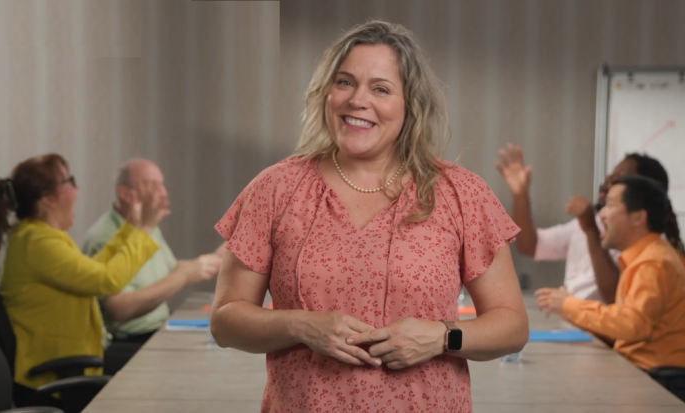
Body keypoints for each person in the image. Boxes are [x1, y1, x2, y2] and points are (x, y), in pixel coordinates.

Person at [209, 20, 528, 412]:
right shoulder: (275, 188)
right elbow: (225, 321)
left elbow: (512, 326)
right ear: (326, 93)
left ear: (410, 105)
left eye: (380, 88)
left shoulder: (461, 193)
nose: (357, 100)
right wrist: (299, 325)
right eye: (344, 82)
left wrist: (444, 337)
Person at [0, 154, 166, 407]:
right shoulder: (37, 243)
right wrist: (146, 229)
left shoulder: (42, 237)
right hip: (55, 372)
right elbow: (108, 280)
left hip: (71, 360)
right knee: (153, 371)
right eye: (69, 181)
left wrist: (132, 225)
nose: (77, 189)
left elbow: (97, 269)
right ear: (47, 197)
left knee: (153, 362)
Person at [535, 175, 685, 412]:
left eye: (610, 205)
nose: (601, 215)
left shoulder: (653, 262)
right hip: (657, 375)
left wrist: (570, 305)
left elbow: (633, 325)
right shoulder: (649, 256)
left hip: (666, 383)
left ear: (638, 217)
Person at [496, 145, 685, 304]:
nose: (607, 180)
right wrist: (520, 195)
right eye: (610, 173)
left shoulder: (651, 248)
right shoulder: (591, 222)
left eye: (619, 178)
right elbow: (528, 245)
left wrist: (590, 230)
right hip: (582, 328)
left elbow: (617, 303)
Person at [82, 158, 222, 375]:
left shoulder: (149, 228)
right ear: (126, 194)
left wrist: (218, 258)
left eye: (162, 184)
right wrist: (185, 275)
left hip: (158, 331)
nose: (164, 193)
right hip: (127, 343)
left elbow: (171, 270)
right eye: (152, 185)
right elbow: (120, 309)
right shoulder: (104, 236)